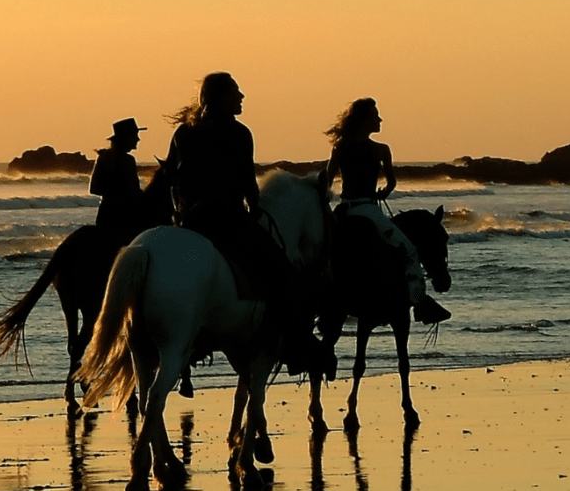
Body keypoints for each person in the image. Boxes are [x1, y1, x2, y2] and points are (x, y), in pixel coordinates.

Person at [164, 72, 332, 375]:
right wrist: (254, 209)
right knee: (284, 275)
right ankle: (296, 348)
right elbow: (247, 182)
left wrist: (179, 216)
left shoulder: (183, 133)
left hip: (190, 221)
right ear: (220, 97)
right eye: (236, 92)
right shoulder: (238, 132)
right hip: (227, 219)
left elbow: (172, 181)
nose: (242, 97)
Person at [324, 98, 450, 324]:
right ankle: (420, 303)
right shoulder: (380, 150)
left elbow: (327, 180)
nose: (379, 119)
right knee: (410, 251)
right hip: (368, 209)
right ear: (365, 121)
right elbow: (391, 183)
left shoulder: (341, 147)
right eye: (375, 116)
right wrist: (382, 193)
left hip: (345, 209)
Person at [89, 117, 147, 246]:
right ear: (126, 138)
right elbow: (134, 193)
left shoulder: (103, 158)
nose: (138, 139)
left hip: (105, 215)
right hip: (125, 217)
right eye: (135, 135)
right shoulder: (128, 160)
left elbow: (94, 188)